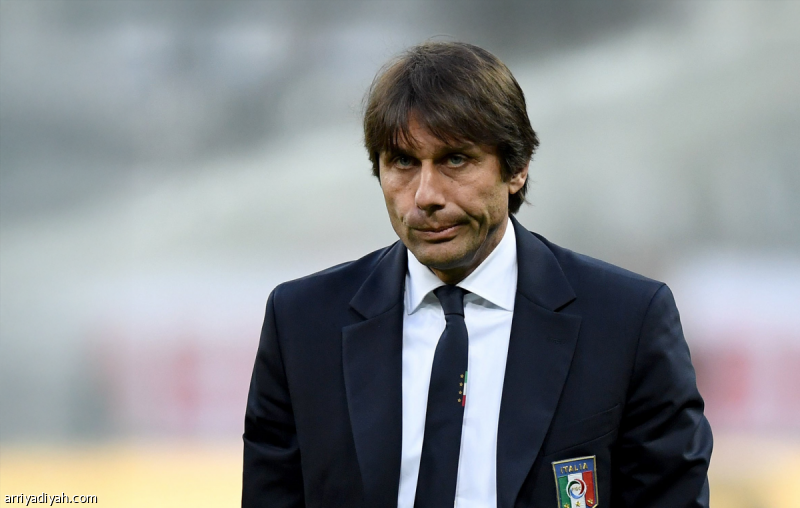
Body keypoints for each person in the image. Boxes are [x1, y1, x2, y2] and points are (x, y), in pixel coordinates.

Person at [242, 41, 712, 508]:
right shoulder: (302, 324)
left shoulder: (627, 322)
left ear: (517, 168)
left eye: (455, 159)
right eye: (403, 162)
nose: (426, 195)